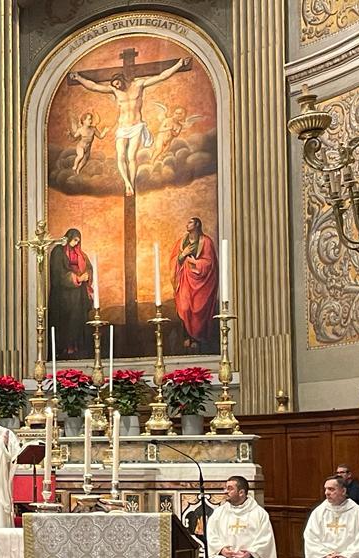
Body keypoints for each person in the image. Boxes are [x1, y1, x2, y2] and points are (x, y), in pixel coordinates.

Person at [70, 57, 190, 195]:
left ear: (122, 79)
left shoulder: (138, 85)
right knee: (120, 156)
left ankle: (131, 184)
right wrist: (78, 78)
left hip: (136, 126)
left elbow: (162, 76)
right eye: (115, 85)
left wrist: (179, 64)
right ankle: (127, 183)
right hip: (122, 127)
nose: (117, 87)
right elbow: (93, 86)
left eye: (118, 84)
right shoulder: (115, 91)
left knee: (131, 156)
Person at [170, 217, 218, 349]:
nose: (187, 224)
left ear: (197, 225)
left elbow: (209, 262)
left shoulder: (206, 242)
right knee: (185, 307)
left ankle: (197, 338)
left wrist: (195, 263)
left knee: (199, 310)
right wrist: (183, 255)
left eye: (190, 222)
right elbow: (174, 260)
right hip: (185, 280)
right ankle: (186, 336)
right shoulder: (181, 242)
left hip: (202, 284)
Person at [47, 228, 95, 359]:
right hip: (63, 295)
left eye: (78, 241)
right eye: (74, 240)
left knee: (78, 319)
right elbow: (58, 273)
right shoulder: (58, 251)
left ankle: (76, 347)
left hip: (78, 295)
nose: (76, 243)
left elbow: (89, 267)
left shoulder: (80, 253)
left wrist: (87, 275)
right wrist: (76, 278)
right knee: (66, 321)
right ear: (68, 237)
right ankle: (65, 348)